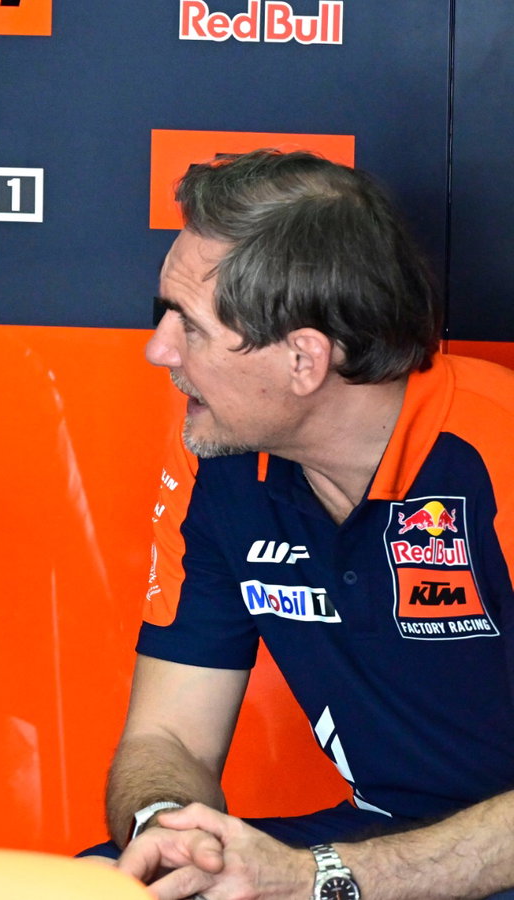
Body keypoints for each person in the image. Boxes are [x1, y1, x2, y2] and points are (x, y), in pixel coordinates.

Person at [88, 150, 514, 900]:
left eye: (190, 326)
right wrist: (169, 830)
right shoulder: (218, 460)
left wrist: (322, 878)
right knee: (106, 885)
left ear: (304, 360)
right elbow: (169, 735)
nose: (158, 350)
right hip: (374, 843)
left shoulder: (497, 453)